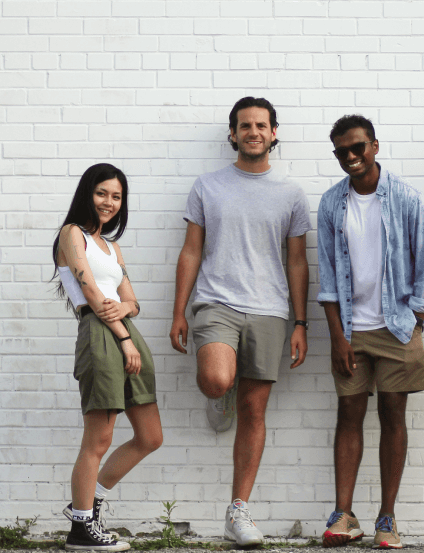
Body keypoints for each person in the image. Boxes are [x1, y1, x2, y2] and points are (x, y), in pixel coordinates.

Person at [168, 97, 311, 546]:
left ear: (273, 133)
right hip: (216, 302)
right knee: (215, 378)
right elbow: (192, 250)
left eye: (261, 125)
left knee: (255, 410)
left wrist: (300, 322)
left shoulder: (291, 194)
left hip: (270, 309)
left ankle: (238, 512)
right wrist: (179, 310)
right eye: (244, 125)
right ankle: (219, 394)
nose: (253, 131)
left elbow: (298, 262)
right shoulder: (208, 186)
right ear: (233, 134)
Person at [317, 115, 424, 550]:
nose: (350, 157)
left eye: (357, 148)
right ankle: (344, 515)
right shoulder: (332, 203)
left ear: (374, 145)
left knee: (393, 416)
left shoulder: (407, 199)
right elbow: (329, 277)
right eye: (341, 152)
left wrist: (416, 322)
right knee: (348, 415)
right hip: (352, 330)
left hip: (397, 327)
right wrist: (337, 336)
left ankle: (387, 519)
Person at [52, 163, 164, 551]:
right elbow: (95, 297)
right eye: (103, 193)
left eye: (116, 196)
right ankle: (81, 528)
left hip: (125, 334)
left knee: (150, 436)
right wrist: (124, 337)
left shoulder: (112, 248)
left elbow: (131, 300)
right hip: (102, 337)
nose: (109, 202)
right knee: (98, 439)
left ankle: (87, 502)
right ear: (88, 192)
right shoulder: (72, 235)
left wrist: (127, 314)